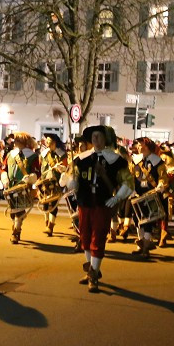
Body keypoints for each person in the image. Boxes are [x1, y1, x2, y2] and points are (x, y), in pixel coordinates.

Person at [69, 125, 131, 293]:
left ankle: (93, 275)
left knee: (98, 238)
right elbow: (72, 177)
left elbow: (128, 183)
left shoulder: (116, 160)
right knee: (85, 237)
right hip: (84, 202)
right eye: (94, 136)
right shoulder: (81, 159)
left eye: (99, 136)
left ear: (106, 139)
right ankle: (91, 269)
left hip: (102, 203)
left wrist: (117, 197)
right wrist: (71, 182)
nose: (96, 139)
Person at [5, 132, 39, 244]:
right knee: (13, 211)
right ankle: (16, 227)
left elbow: (36, 172)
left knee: (19, 210)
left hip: (23, 186)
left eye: (17, 140)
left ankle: (16, 232)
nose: (15, 142)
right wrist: (4, 177)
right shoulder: (10, 154)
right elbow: (4, 168)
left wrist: (31, 178)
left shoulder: (32, 156)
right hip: (11, 186)